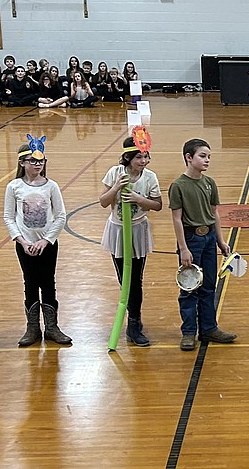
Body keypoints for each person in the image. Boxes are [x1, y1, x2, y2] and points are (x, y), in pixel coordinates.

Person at [169, 138, 237, 351]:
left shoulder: (209, 183)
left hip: (208, 239)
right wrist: (183, 248)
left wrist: (220, 240)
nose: (207, 160)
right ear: (189, 157)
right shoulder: (178, 186)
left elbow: (214, 213)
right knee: (189, 287)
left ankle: (208, 327)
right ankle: (189, 332)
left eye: (208, 156)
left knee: (209, 285)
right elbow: (177, 219)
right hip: (191, 240)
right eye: (202, 156)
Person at [4, 135, 71, 347]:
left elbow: (60, 216)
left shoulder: (51, 186)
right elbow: (9, 217)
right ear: (22, 163)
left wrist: (47, 241)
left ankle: (52, 327)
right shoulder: (14, 187)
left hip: (47, 246)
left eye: (41, 160)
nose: (37, 164)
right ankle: (33, 327)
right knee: (30, 284)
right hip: (25, 246)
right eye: (32, 160)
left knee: (48, 283)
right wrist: (22, 241)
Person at [99, 135, 163, 347]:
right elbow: (103, 202)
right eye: (138, 157)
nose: (143, 161)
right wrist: (116, 187)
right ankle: (129, 313)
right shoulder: (114, 173)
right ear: (128, 157)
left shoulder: (150, 177)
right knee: (123, 277)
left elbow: (157, 205)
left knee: (136, 278)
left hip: (137, 230)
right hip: (118, 230)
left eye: (145, 157)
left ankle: (134, 321)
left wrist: (138, 199)